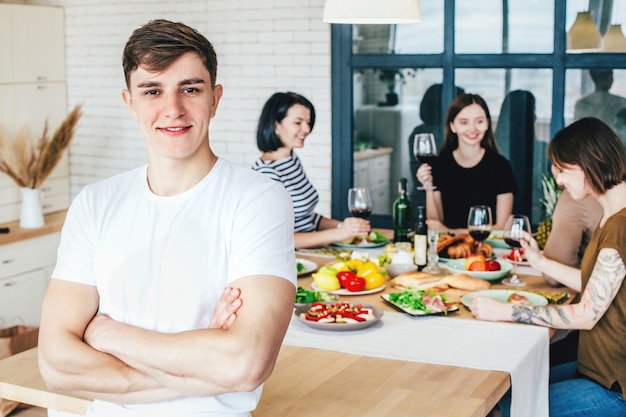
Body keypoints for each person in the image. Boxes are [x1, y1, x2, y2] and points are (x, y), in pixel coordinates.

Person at [37, 19, 297, 417]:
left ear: (215, 98)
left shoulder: (258, 199)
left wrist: (106, 333)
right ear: (130, 102)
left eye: (190, 89)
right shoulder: (94, 204)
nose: (172, 109)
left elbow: (244, 364)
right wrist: (204, 366)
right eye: (152, 90)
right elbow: (55, 363)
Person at [470, 117, 626, 417]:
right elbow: (595, 284)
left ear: (590, 162)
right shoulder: (611, 212)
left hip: (614, 387)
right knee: (504, 393)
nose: (558, 180)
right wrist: (540, 260)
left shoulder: (620, 224)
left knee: (513, 406)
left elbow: (586, 314)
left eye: (562, 169)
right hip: (596, 369)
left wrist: (504, 311)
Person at [252, 92, 370, 249]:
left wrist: (347, 228)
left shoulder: (290, 159)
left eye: (308, 122)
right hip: (295, 260)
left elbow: (306, 218)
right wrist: (340, 233)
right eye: (298, 122)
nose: (306, 129)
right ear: (276, 125)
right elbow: (277, 239)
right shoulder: (266, 174)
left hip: (314, 251)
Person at [415, 93, 518, 233]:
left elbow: (502, 227)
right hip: (447, 249)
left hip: (486, 248)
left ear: (487, 124)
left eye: (479, 121)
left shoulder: (500, 166)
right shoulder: (439, 165)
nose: (472, 129)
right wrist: (428, 186)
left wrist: (452, 232)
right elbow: (435, 225)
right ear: (452, 126)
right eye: (464, 122)